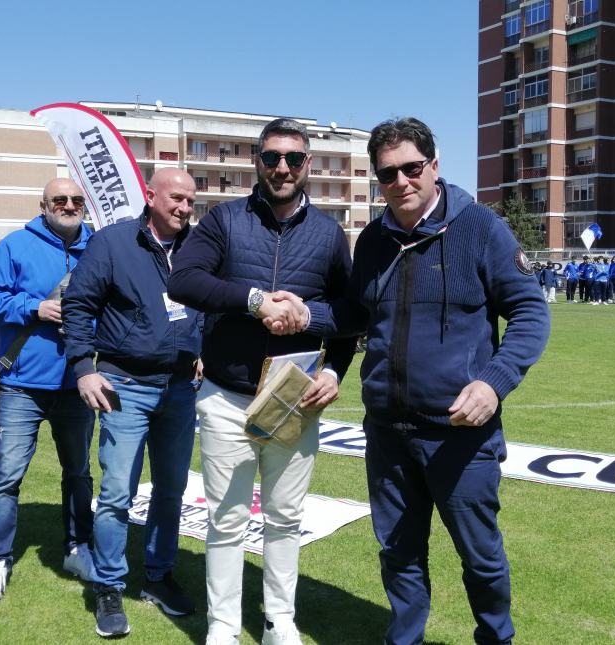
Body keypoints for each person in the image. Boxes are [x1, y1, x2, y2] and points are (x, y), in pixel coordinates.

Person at [274, 117, 549, 644]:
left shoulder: (481, 229)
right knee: (398, 554)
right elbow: (354, 314)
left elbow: (531, 315)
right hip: (387, 434)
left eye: (411, 168)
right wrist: (307, 314)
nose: (401, 182)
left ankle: (497, 637)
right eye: (388, 174)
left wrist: (493, 382)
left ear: (434, 166)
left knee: (481, 555)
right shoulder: (374, 239)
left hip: (460, 436)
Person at [167, 118, 357, 645]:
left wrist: (334, 365)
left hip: (294, 397)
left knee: (285, 518)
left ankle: (279, 622)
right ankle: (224, 626)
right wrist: (255, 301)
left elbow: (352, 314)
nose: (282, 168)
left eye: (293, 159)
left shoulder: (327, 233)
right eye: (272, 157)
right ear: (256, 160)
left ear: (308, 165)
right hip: (227, 398)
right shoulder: (224, 220)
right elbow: (182, 279)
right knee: (226, 521)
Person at [62, 168, 203, 638]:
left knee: (171, 490)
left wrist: (203, 349)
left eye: (190, 201)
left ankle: (159, 577)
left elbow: (209, 305)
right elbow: (79, 304)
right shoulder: (113, 243)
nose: (184, 208)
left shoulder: (198, 246)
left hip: (181, 388)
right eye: (176, 198)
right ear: (150, 195)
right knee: (118, 492)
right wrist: (84, 367)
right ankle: (108, 585)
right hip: (125, 385)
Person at [0, 178, 96, 603]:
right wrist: (32, 307)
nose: (69, 205)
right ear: (43, 206)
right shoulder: (15, 245)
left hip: (79, 383)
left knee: (78, 473)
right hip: (22, 383)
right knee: (6, 477)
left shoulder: (100, 246)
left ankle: (78, 548)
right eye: (59, 199)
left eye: (76, 199)